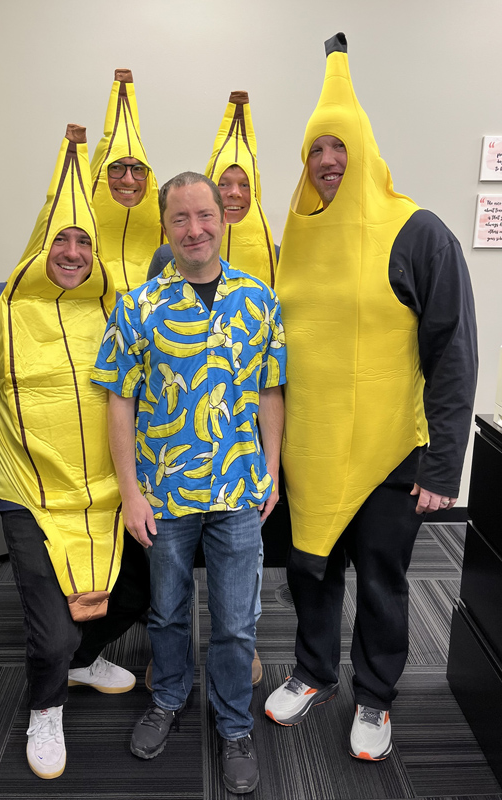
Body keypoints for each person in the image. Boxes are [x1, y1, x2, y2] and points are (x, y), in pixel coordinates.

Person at [265, 33, 478, 762]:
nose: (327, 161)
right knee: (310, 567)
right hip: (310, 448)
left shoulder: (419, 233)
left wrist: (443, 467)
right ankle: (314, 670)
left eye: (340, 146)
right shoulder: (298, 234)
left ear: (365, 148)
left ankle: (377, 697)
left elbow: (453, 353)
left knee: (383, 580)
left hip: (391, 450)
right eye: (316, 149)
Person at [0, 125, 150, 780]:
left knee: (137, 595)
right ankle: (46, 703)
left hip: (110, 493)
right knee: (50, 628)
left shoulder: (120, 305)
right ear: (39, 239)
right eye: (60, 237)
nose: (72, 251)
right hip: (28, 494)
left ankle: (81, 659)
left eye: (84, 240)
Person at [92, 172, 286, 794]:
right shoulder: (138, 307)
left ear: (224, 217)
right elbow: (118, 401)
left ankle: (233, 725)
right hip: (164, 493)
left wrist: (273, 470)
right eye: (181, 219)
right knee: (167, 613)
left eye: (205, 215)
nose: (195, 229)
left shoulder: (258, 300)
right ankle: (168, 698)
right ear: (166, 226)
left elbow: (270, 391)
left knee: (235, 621)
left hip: (237, 491)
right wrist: (129, 491)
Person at [148, 91, 278, 287]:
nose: (235, 193)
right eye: (223, 184)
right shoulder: (167, 255)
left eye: (245, 185)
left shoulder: (275, 255)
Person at [91, 68, 165, 294]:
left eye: (138, 169)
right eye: (116, 168)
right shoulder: (72, 240)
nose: (129, 179)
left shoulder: (171, 241)